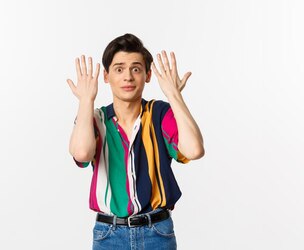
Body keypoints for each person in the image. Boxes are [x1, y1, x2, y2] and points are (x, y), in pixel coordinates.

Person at [66, 33, 205, 250]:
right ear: (106, 76)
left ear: (148, 75)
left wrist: (173, 94)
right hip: (108, 235)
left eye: (136, 69)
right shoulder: (95, 119)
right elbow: (82, 153)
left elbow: (194, 150)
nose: (128, 77)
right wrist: (86, 100)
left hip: (157, 233)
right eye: (119, 69)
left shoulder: (159, 114)